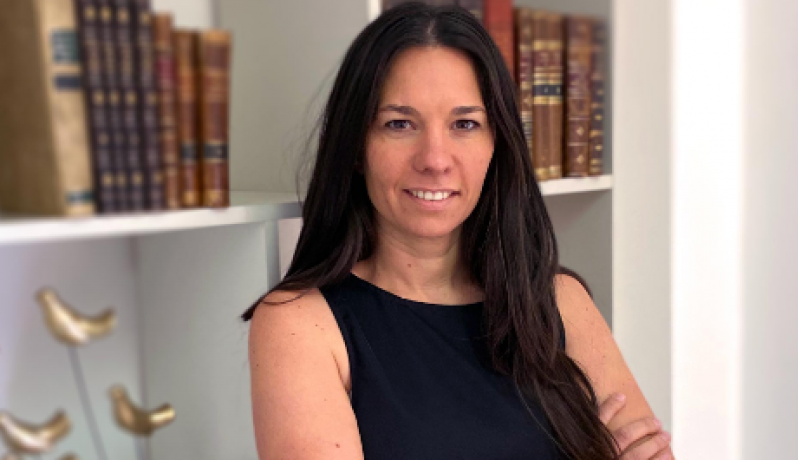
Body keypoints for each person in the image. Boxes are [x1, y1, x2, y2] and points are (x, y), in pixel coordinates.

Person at [243, 3, 674, 459]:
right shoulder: (300, 324)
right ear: (356, 147)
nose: (435, 159)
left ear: (496, 144)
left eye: (464, 124)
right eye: (399, 124)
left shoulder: (560, 302)